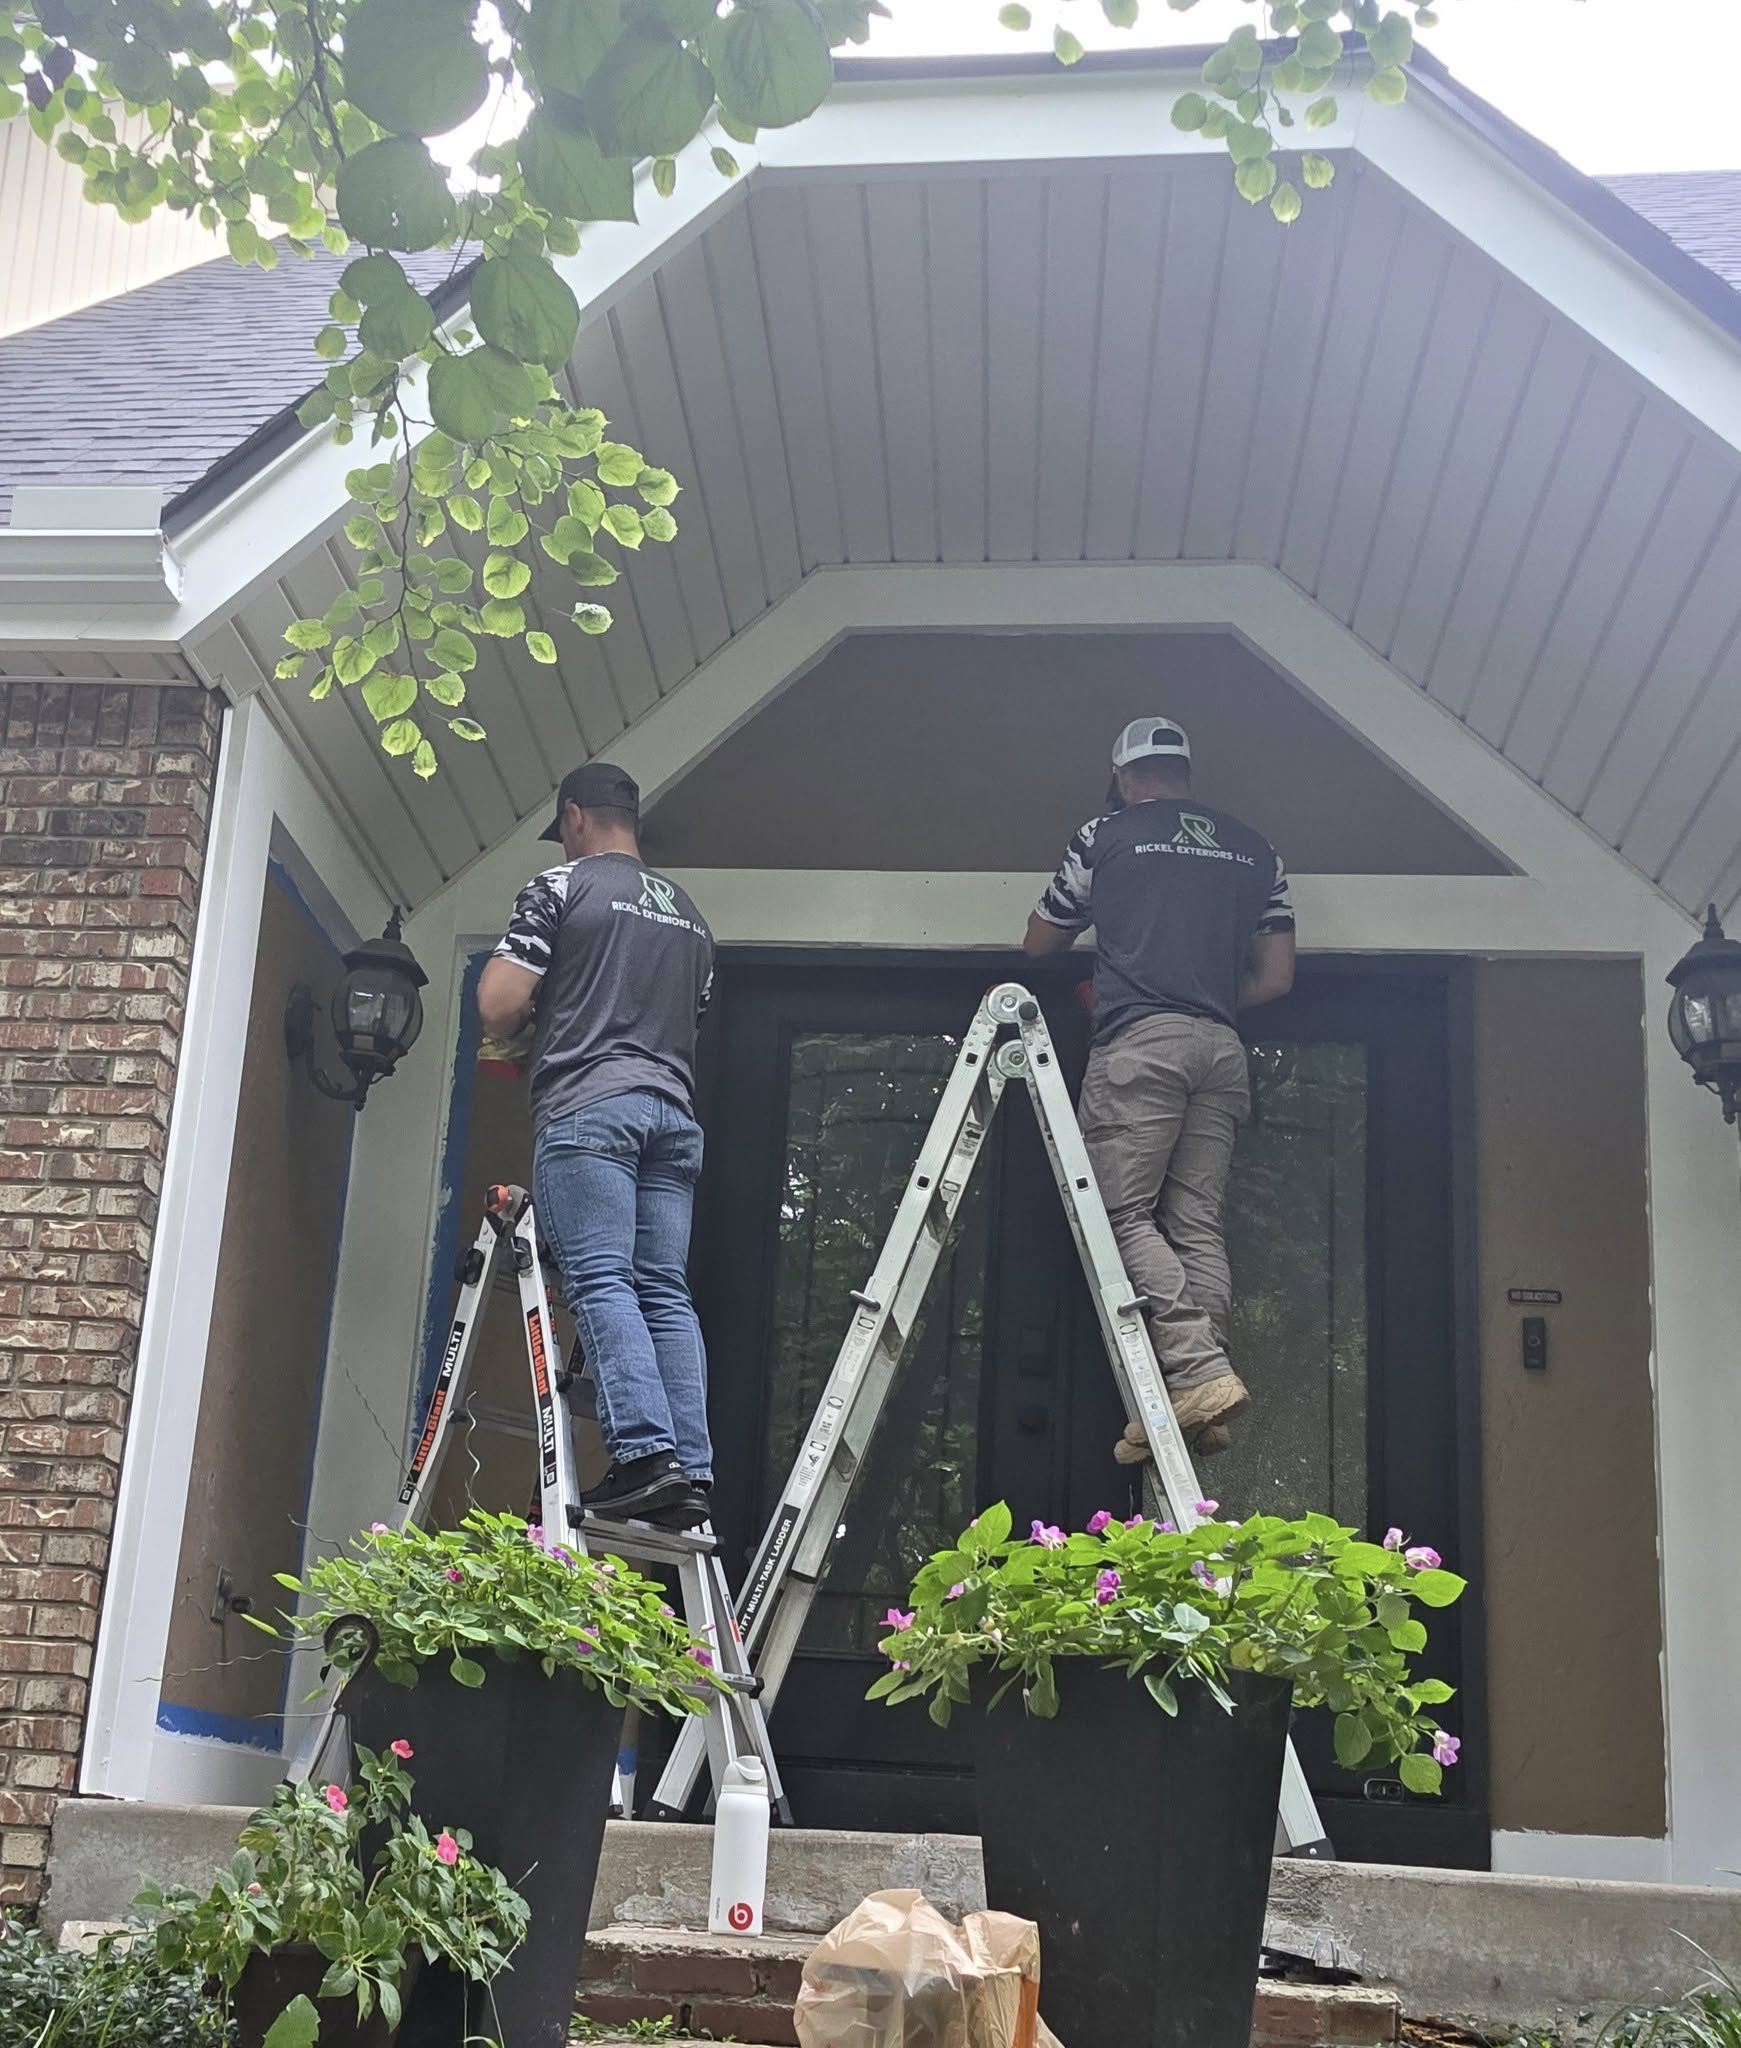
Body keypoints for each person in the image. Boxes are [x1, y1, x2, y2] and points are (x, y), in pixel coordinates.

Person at [1023, 717, 1295, 1460]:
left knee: (1112, 1211)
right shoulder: (1255, 851)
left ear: (1122, 776)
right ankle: (1198, 1397)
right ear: (1187, 774)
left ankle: (1197, 1369)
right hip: (1220, 1046)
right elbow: (1274, 978)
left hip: (1140, 1048)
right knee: (1195, 1222)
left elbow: (1039, 941)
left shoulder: (1104, 836)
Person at [478, 763, 715, 1527]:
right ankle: (690, 1468)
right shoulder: (690, 918)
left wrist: (540, 1012)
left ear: (574, 818)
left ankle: (646, 1456)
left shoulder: (560, 886)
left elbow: (500, 1003)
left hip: (590, 1112)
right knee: (663, 1292)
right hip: (672, 1118)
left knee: (603, 1280)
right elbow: (685, 1023)